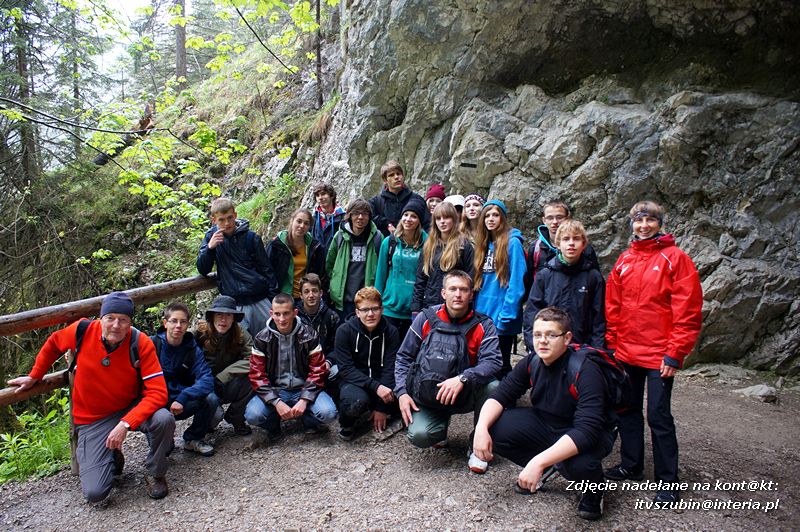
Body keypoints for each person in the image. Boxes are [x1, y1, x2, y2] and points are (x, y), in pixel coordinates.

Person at [7, 292, 174, 501]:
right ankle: (112, 457)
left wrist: (125, 424)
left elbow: (158, 392)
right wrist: (35, 375)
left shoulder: (140, 342)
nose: (116, 325)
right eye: (110, 318)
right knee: (95, 494)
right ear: (100, 318)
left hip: (130, 405)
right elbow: (53, 343)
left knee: (163, 419)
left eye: (123, 320)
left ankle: (155, 472)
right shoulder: (82, 330)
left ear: (130, 322)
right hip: (93, 417)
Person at [472, 308, 615, 521]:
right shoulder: (532, 362)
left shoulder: (586, 370)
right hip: (548, 422)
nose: (543, 341)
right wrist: (480, 429)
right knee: (494, 428)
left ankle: (594, 489)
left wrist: (537, 461)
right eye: (537, 335)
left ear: (567, 338)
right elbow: (501, 395)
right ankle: (548, 466)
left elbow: (587, 430)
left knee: (576, 465)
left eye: (551, 335)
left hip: (588, 434)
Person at [603, 200, 703, 503]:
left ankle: (668, 482)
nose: (643, 225)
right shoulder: (624, 260)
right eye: (638, 220)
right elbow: (613, 306)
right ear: (632, 224)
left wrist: (675, 352)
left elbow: (687, 310)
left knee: (658, 415)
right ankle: (631, 466)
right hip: (627, 351)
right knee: (627, 411)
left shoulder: (676, 258)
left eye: (650, 220)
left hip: (659, 354)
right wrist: (612, 344)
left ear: (660, 224)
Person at [395, 271, 501, 464]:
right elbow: (404, 357)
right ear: (443, 293)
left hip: (465, 390)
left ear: (471, 294)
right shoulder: (425, 318)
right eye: (453, 289)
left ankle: (477, 441)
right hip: (430, 392)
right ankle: (439, 428)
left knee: (494, 387)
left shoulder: (484, 324)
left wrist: (463, 378)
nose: (458, 294)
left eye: (463, 290)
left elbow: (493, 362)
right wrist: (402, 392)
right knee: (420, 435)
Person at [245, 293, 338, 440]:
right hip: (276, 390)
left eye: (286, 313)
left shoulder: (309, 334)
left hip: (304, 388)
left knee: (328, 413)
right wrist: (276, 401)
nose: (282, 319)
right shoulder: (261, 338)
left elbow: (318, 370)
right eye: (277, 314)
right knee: (252, 415)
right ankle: (274, 425)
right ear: (271, 314)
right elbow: (257, 375)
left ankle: (308, 421)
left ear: (295, 313)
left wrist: (304, 399)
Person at [197, 197, 278, 337]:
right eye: (221, 219)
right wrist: (210, 248)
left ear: (235, 215)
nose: (227, 223)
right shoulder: (211, 237)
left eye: (229, 218)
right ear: (214, 220)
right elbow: (203, 269)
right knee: (240, 347)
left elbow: (267, 270)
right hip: (234, 305)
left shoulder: (251, 238)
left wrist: (272, 299)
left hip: (259, 299)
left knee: (270, 341)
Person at [330, 287, 401, 440]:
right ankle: (347, 423)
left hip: (382, 381)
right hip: (355, 381)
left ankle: (378, 409)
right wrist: (376, 388)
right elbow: (346, 369)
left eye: (375, 309)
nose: (370, 314)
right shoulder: (344, 331)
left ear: (381, 309)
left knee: (407, 400)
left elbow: (391, 368)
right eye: (365, 310)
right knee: (354, 402)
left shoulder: (391, 332)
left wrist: (381, 407)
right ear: (357, 312)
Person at [523, 219, 605, 350]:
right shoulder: (544, 275)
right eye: (566, 239)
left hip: (583, 348)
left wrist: (597, 351)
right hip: (549, 346)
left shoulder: (593, 277)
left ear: (584, 244)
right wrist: (534, 346)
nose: (571, 243)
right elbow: (532, 313)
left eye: (576, 239)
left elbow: (599, 319)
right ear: (558, 244)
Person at [151, 302, 216, 457]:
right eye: (174, 321)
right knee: (164, 451)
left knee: (211, 398)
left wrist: (184, 396)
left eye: (183, 322)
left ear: (188, 324)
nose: (178, 326)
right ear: (165, 323)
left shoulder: (193, 349)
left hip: (181, 401)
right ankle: (165, 440)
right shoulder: (152, 345)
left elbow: (206, 379)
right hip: (156, 403)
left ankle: (193, 438)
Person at [473, 200, 527, 377]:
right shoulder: (482, 245)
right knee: (482, 359)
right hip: (482, 313)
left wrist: (508, 314)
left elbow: (517, 282)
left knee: (501, 363)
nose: (490, 219)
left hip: (502, 315)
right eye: (487, 215)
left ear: (502, 218)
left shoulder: (513, 243)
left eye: (495, 215)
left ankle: (505, 400)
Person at [195, 295, 254, 436]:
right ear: (212, 317)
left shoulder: (240, 333)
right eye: (219, 314)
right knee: (214, 418)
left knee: (253, 378)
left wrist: (224, 376)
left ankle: (236, 417)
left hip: (227, 383)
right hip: (204, 386)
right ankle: (201, 426)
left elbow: (253, 358)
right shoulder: (198, 333)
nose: (223, 319)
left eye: (228, 315)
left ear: (234, 318)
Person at [374, 197, 428, 339]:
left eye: (414, 216)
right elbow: (381, 274)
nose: (408, 219)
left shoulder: (428, 243)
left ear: (420, 221)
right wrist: (376, 302)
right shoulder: (390, 241)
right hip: (390, 306)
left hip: (415, 309)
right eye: (406, 215)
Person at [523, 200, 599, 298]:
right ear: (544, 220)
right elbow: (530, 282)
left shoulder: (584, 249)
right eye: (550, 218)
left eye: (559, 217)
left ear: (567, 218)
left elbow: (595, 281)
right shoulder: (536, 249)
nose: (555, 222)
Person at [411, 201, 474, 314]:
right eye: (438, 218)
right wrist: (415, 308)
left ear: (454, 219)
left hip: (455, 306)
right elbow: (420, 279)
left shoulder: (464, 246)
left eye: (446, 217)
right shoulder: (429, 245)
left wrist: (468, 307)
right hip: (430, 304)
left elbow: (470, 279)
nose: (442, 222)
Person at [325, 198, 383, 319]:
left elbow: (383, 267)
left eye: (365, 214)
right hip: (343, 299)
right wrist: (335, 284)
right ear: (350, 215)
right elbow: (330, 264)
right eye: (356, 213)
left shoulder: (377, 237)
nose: (360, 217)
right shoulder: (340, 236)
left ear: (369, 216)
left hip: (367, 299)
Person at [266, 208, 326, 300]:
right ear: (292, 221)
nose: (302, 226)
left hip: (305, 298)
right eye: (299, 221)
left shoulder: (315, 247)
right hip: (282, 297)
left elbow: (320, 274)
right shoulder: (276, 245)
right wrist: (272, 295)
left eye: (306, 223)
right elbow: (267, 272)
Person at [369, 159, 430, 236]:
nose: (396, 177)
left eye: (399, 174)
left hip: (413, 245)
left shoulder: (416, 199)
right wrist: (386, 223)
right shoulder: (377, 201)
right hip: (386, 245)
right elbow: (367, 217)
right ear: (385, 180)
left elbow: (428, 225)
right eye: (391, 175)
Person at [295, 273, 340, 357]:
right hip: (300, 364)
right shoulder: (294, 316)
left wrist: (329, 361)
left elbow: (337, 347)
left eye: (314, 291)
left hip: (325, 361)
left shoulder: (332, 317)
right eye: (306, 292)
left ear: (321, 293)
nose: (311, 295)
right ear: (301, 295)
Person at [312, 182, 346, 255]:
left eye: (323, 194)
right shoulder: (312, 219)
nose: (320, 198)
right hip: (317, 262)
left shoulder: (343, 217)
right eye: (317, 195)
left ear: (332, 196)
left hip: (336, 260)